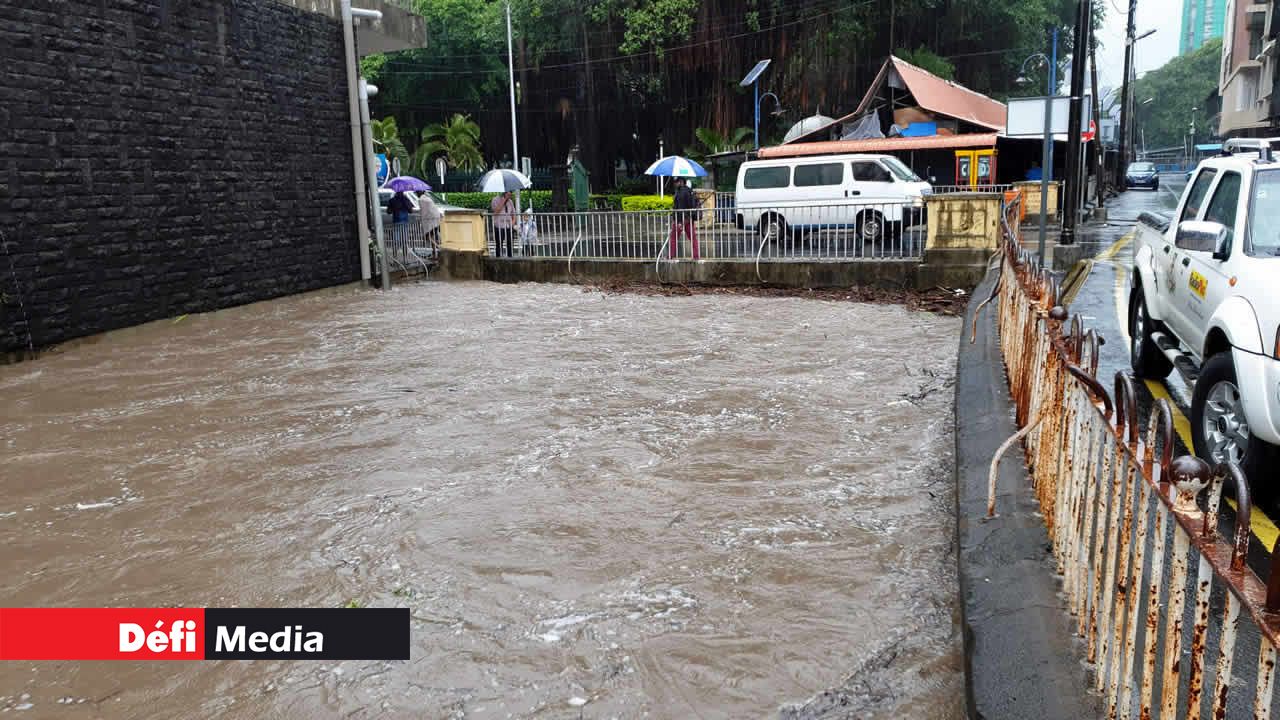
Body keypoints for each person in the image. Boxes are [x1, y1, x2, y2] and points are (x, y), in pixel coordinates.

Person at [669, 178, 700, 261]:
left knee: (673, 238)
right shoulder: (689, 191)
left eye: (676, 182)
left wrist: (679, 221)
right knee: (692, 238)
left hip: (682, 219)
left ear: (681, 182)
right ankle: (696, 256)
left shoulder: (681, 192)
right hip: (687, 218)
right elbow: (691, 206)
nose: (675, 184)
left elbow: (679, 207)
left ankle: (671, 255)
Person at [490, 190, 517, 257]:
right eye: (509, 193)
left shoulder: (510, 201)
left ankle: (510, 259)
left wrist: (512, 223)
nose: (510, 195)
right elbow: (496, 211)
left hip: (508, 226)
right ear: (504, 192)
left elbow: (514, 213)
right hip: (499, 226)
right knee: (499, 244)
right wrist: (503, 200)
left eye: (511, 193)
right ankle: (498, 259)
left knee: (510, 244)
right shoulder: (495, 199)